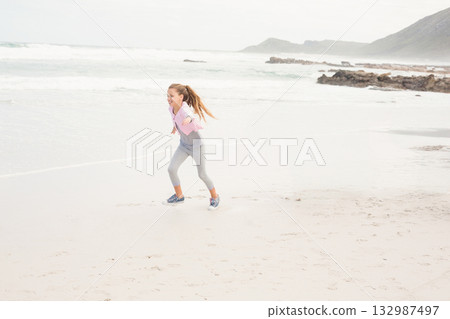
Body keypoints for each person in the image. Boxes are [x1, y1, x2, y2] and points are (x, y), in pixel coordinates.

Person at [164, 83, 220, 210]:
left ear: (181, 97)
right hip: (183, 145)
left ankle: (215, 197)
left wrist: (189, 119)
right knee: (171, 169)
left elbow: (191, 115)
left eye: (171, 96)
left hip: (196, 146)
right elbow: (175, 119)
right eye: (167, 96)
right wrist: (174, 127)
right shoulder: (171, 108)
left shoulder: (184, 109)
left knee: (202, 175)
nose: (168, 98)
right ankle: (179, 196)